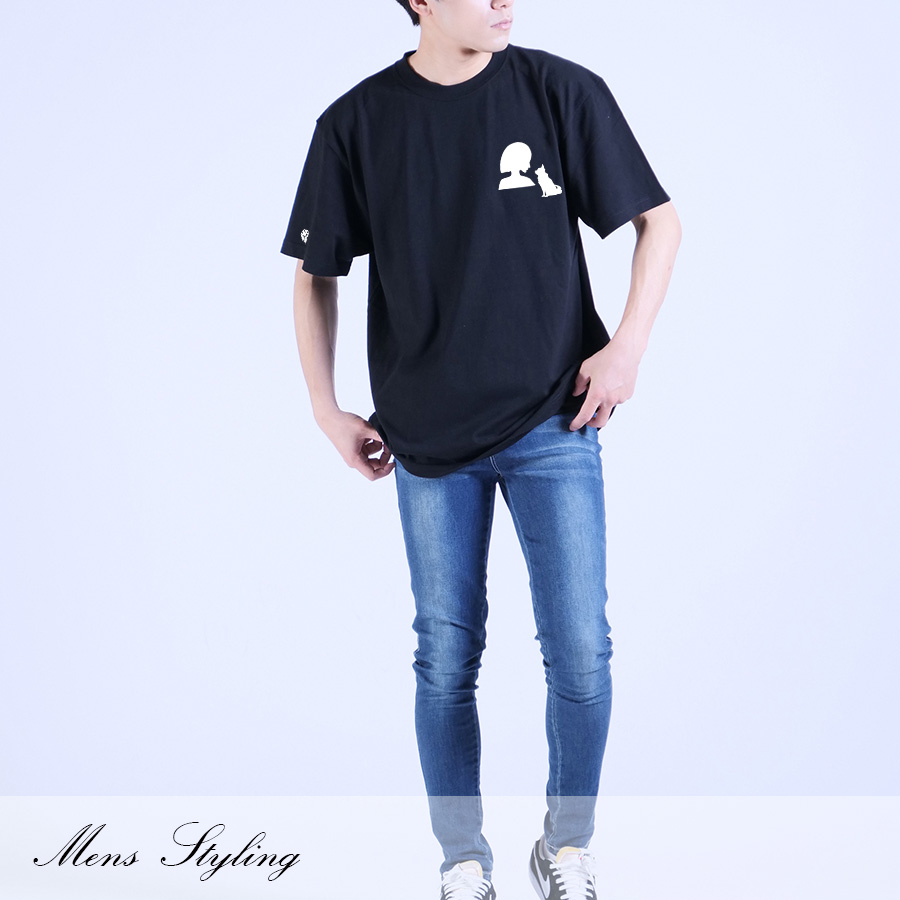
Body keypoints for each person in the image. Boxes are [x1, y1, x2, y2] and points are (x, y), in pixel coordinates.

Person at [280, 2, 682, 898]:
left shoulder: (559, 91)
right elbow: (314, 274)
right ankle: (463, 862)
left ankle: (566, 847)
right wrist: (324, 408)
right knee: (445, 659)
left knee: (581, 654)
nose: (504, 0)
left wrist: (626, 347)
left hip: (555, 422)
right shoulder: (356, 123)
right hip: (427, 440)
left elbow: (660, 223)